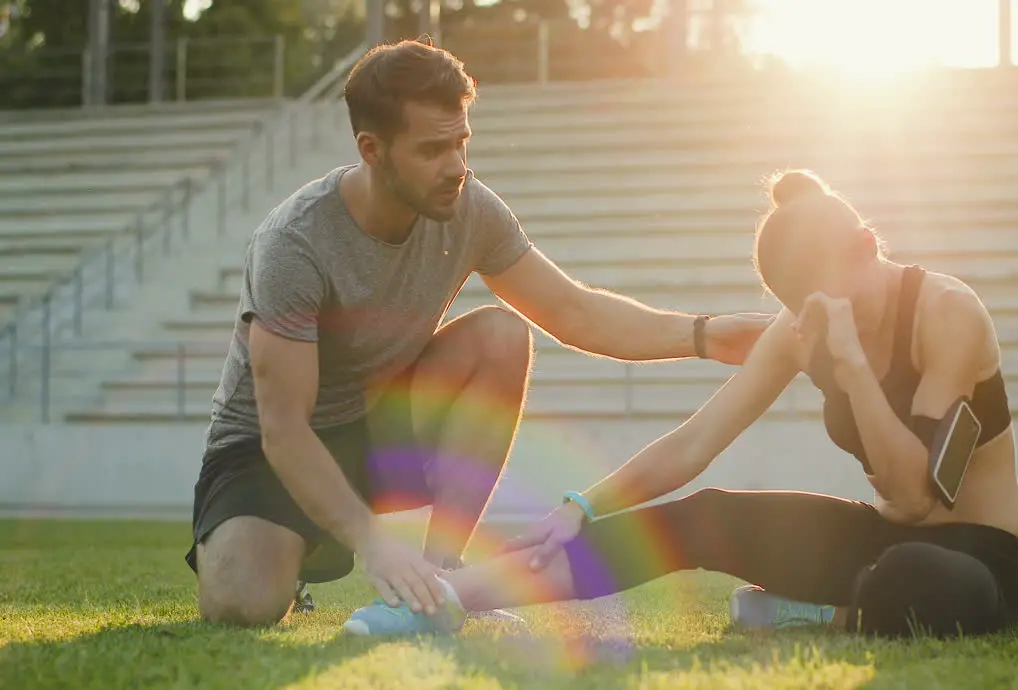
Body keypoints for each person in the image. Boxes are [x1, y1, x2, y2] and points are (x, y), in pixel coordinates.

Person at [186, 37, 773, 628]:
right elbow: (284, 429)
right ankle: (301, 554)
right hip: (270, 449)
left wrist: (706, 335)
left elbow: (575, 312)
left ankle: (445, 579)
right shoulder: (295, 242)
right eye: (434, 149)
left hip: (382, 431)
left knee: (501, 335)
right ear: (373, 149)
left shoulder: (470, 207)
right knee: (243, 604)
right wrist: (370, 540)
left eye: (462, 141)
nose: (457, 165)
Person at [343, 168, 1018, 640]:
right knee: (703, 516)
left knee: (915, 577)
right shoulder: (806, 328)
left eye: (837, 302)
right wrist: (580, 508)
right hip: (876, 543)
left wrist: (851, 363)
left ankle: (825, 616)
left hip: (973, 559)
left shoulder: (946, 313)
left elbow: (918, 500)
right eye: (805, 310)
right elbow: (695, 444)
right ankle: (445, 600)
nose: (823, 322)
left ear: (867, 247)